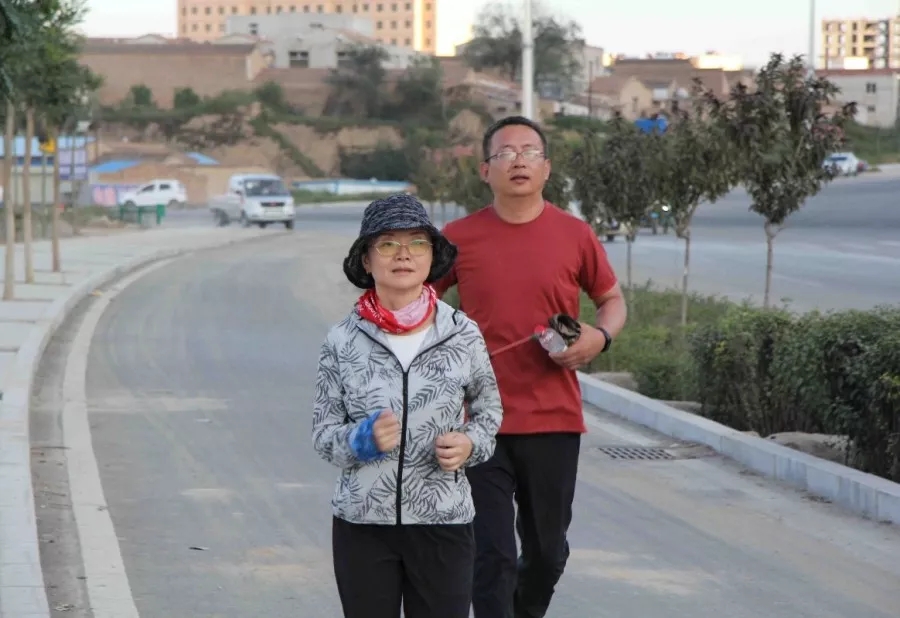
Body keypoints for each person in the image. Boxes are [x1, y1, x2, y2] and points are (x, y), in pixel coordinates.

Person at [433, 116, 628, 618]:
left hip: (553, 418)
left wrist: (599, 337)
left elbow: (611, 300)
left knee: (547, 553)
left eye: (530, 152)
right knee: (492, 555)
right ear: (485, 170)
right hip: (479, 422)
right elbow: (418, 303)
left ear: (547, 168)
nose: (518, 161)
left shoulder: (574, 234)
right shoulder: (458, 238)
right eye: (505, 153)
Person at [312, 193, 504, 618]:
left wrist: (469, 445)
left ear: (431, 256)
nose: (404, 254)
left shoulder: (462, 333)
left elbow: (489, 412)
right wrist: (361, 439)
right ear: (366, 260)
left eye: (417, 242)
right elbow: (323, 434)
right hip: (363, 524)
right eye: (387, 244)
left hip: (443, 522)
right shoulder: (342, 340)